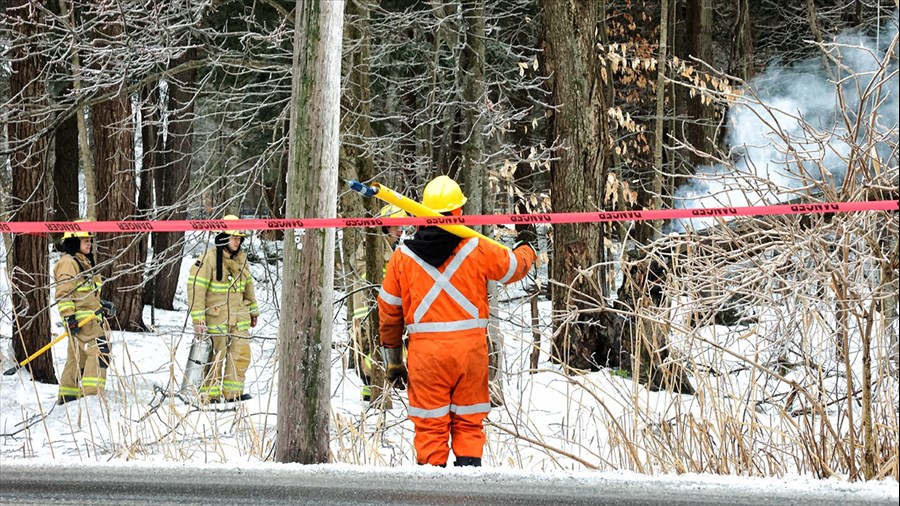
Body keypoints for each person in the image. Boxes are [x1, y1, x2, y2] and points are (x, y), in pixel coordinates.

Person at [377, 175, 537, 467]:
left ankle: (432, 493)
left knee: (430, 429)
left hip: (426, 359)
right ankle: (469, 486)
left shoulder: (402, 257)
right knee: (468, 425)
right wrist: (528, 245)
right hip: (470, 357)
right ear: (459, 212)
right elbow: (514, 267)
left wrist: (394, 360)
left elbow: (389, 312)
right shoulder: (477, 247)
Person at [186, 215, 260, 402]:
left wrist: (253, 310)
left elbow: (248, 287)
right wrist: (198, 318)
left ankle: (233, 394)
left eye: (239, 238)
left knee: (240, 355)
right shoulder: (208, 259)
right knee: (214, 357)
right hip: (216, 318)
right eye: (234, 237)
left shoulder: (242, 260)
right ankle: (210, 395)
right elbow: (196, 289)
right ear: (223, 237)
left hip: (239, 317)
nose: (237, 241)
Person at [350, 204, 407, 402]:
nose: (400, 231)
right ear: (385, 226)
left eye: (402, 227)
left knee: (384, 348)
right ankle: (373, 389)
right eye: (396, 226)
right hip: (369, 308)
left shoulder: (392, 249)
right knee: (371, 349)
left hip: (384, 309)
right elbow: (363, 270)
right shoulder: (371, 244)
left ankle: (378, 388)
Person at [54, 227, 115, 405]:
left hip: (89, 319)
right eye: (85, 240)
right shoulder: (68, 262)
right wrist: (69, 317)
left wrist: (102, 305)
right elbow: (64, 293)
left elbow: (86, 294)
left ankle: (68, 395)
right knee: (100, 351)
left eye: (90, 240)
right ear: (73, 242)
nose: (89, 243)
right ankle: (92, 396)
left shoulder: (84, 262)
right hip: (82, 320)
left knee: (77, 357)